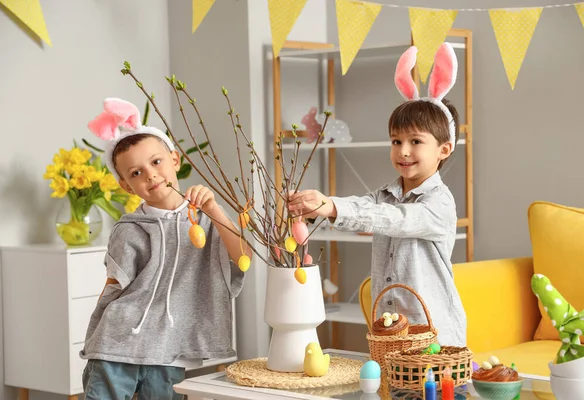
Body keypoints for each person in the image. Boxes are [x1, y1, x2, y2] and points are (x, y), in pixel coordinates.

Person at [288, 43, 467, 346]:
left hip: (434, 335)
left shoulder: (439, 203)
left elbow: (396, 219)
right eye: (396, 141)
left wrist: (331, 207)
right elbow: (363, 207)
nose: (403, 151)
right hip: (389, 331)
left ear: (444, 149)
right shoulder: (387, 194)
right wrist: (322, 206)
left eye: (415, 141)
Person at [80, 97, 249, 399]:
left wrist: (215, 211)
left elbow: (245, 258)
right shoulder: (129, 228)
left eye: (156, 162)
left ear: (175, 160)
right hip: (118, 345)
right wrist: (98, 334)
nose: (149, 175)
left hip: (170, 350)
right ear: (126, 186)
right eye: (135, 173)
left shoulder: (208, 218)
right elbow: (113, 287)